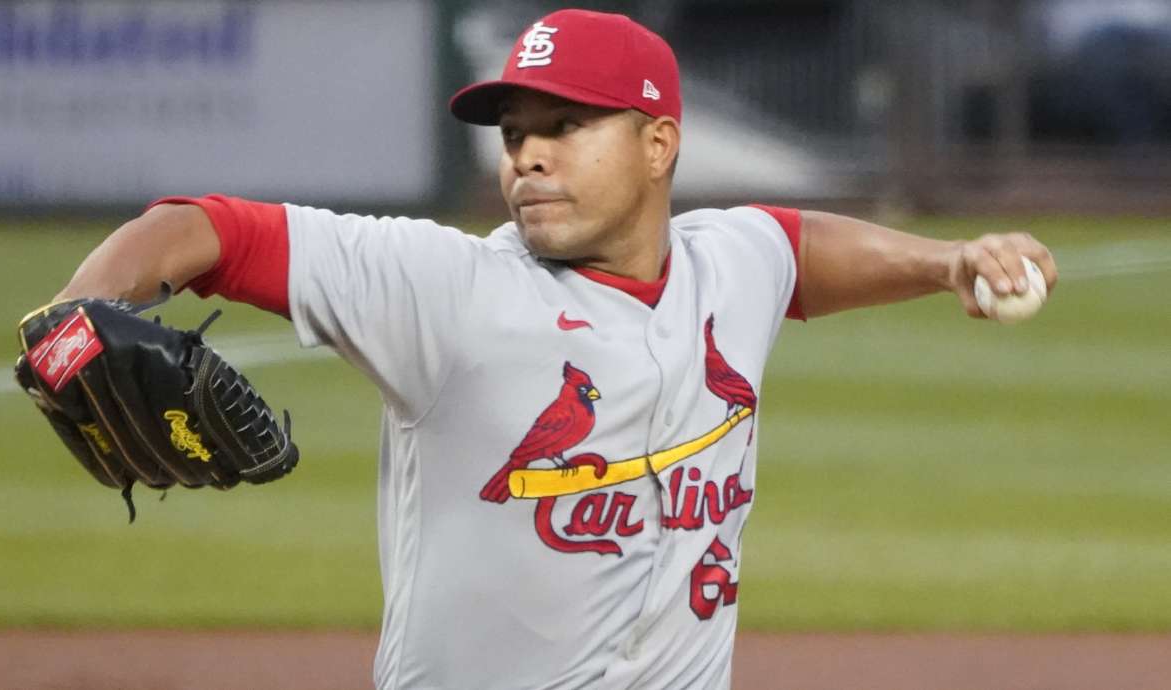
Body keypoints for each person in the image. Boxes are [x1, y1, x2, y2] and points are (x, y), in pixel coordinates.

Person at [53, 9, 1057, 689]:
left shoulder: (727, 261)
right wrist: (68, 326)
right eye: (514, 133)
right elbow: (203, 228)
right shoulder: (448, 288)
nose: (527, 154)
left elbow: (797, 249)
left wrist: (946, 261)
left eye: (565, 126)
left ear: (657, 145)